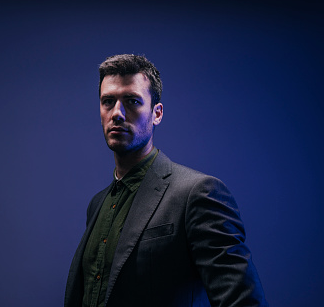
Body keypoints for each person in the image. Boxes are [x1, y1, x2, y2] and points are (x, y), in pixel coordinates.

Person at [64, 54, 268, 307]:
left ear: (156, 113)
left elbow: (243, 302)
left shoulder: (198, 193)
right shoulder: (97, 204)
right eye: (108, 101)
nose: (117, 113)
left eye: (132, 101)